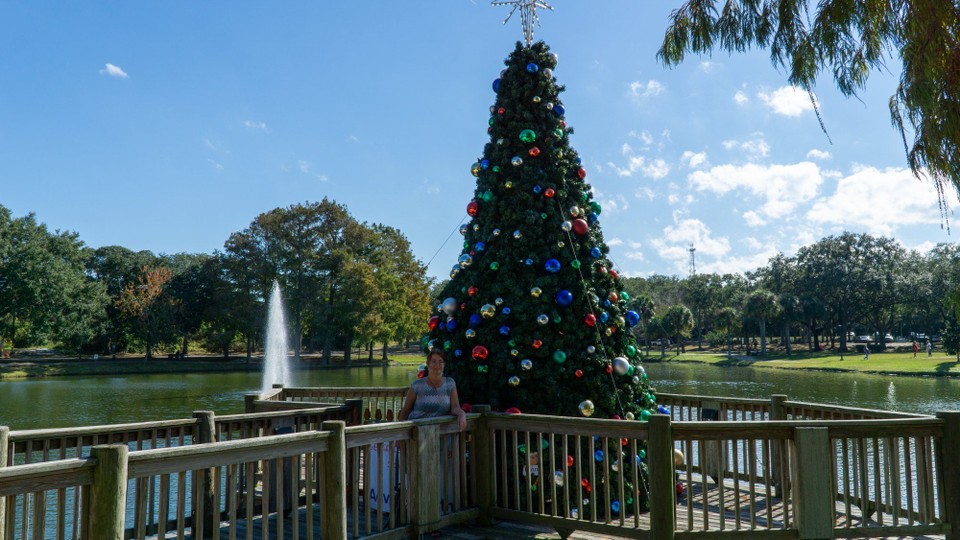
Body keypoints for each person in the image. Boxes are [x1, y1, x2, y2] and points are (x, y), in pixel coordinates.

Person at [398, 349, 467, 430]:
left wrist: (462, 414)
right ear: (428, 364)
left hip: (441, 433)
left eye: (440, 361)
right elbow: (406, 410)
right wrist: (400, 438)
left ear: (444, 364)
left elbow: (455, 407)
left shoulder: (450, 383)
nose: (437, 365)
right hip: (417, 432)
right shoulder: (417, 385)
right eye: (433, 361)